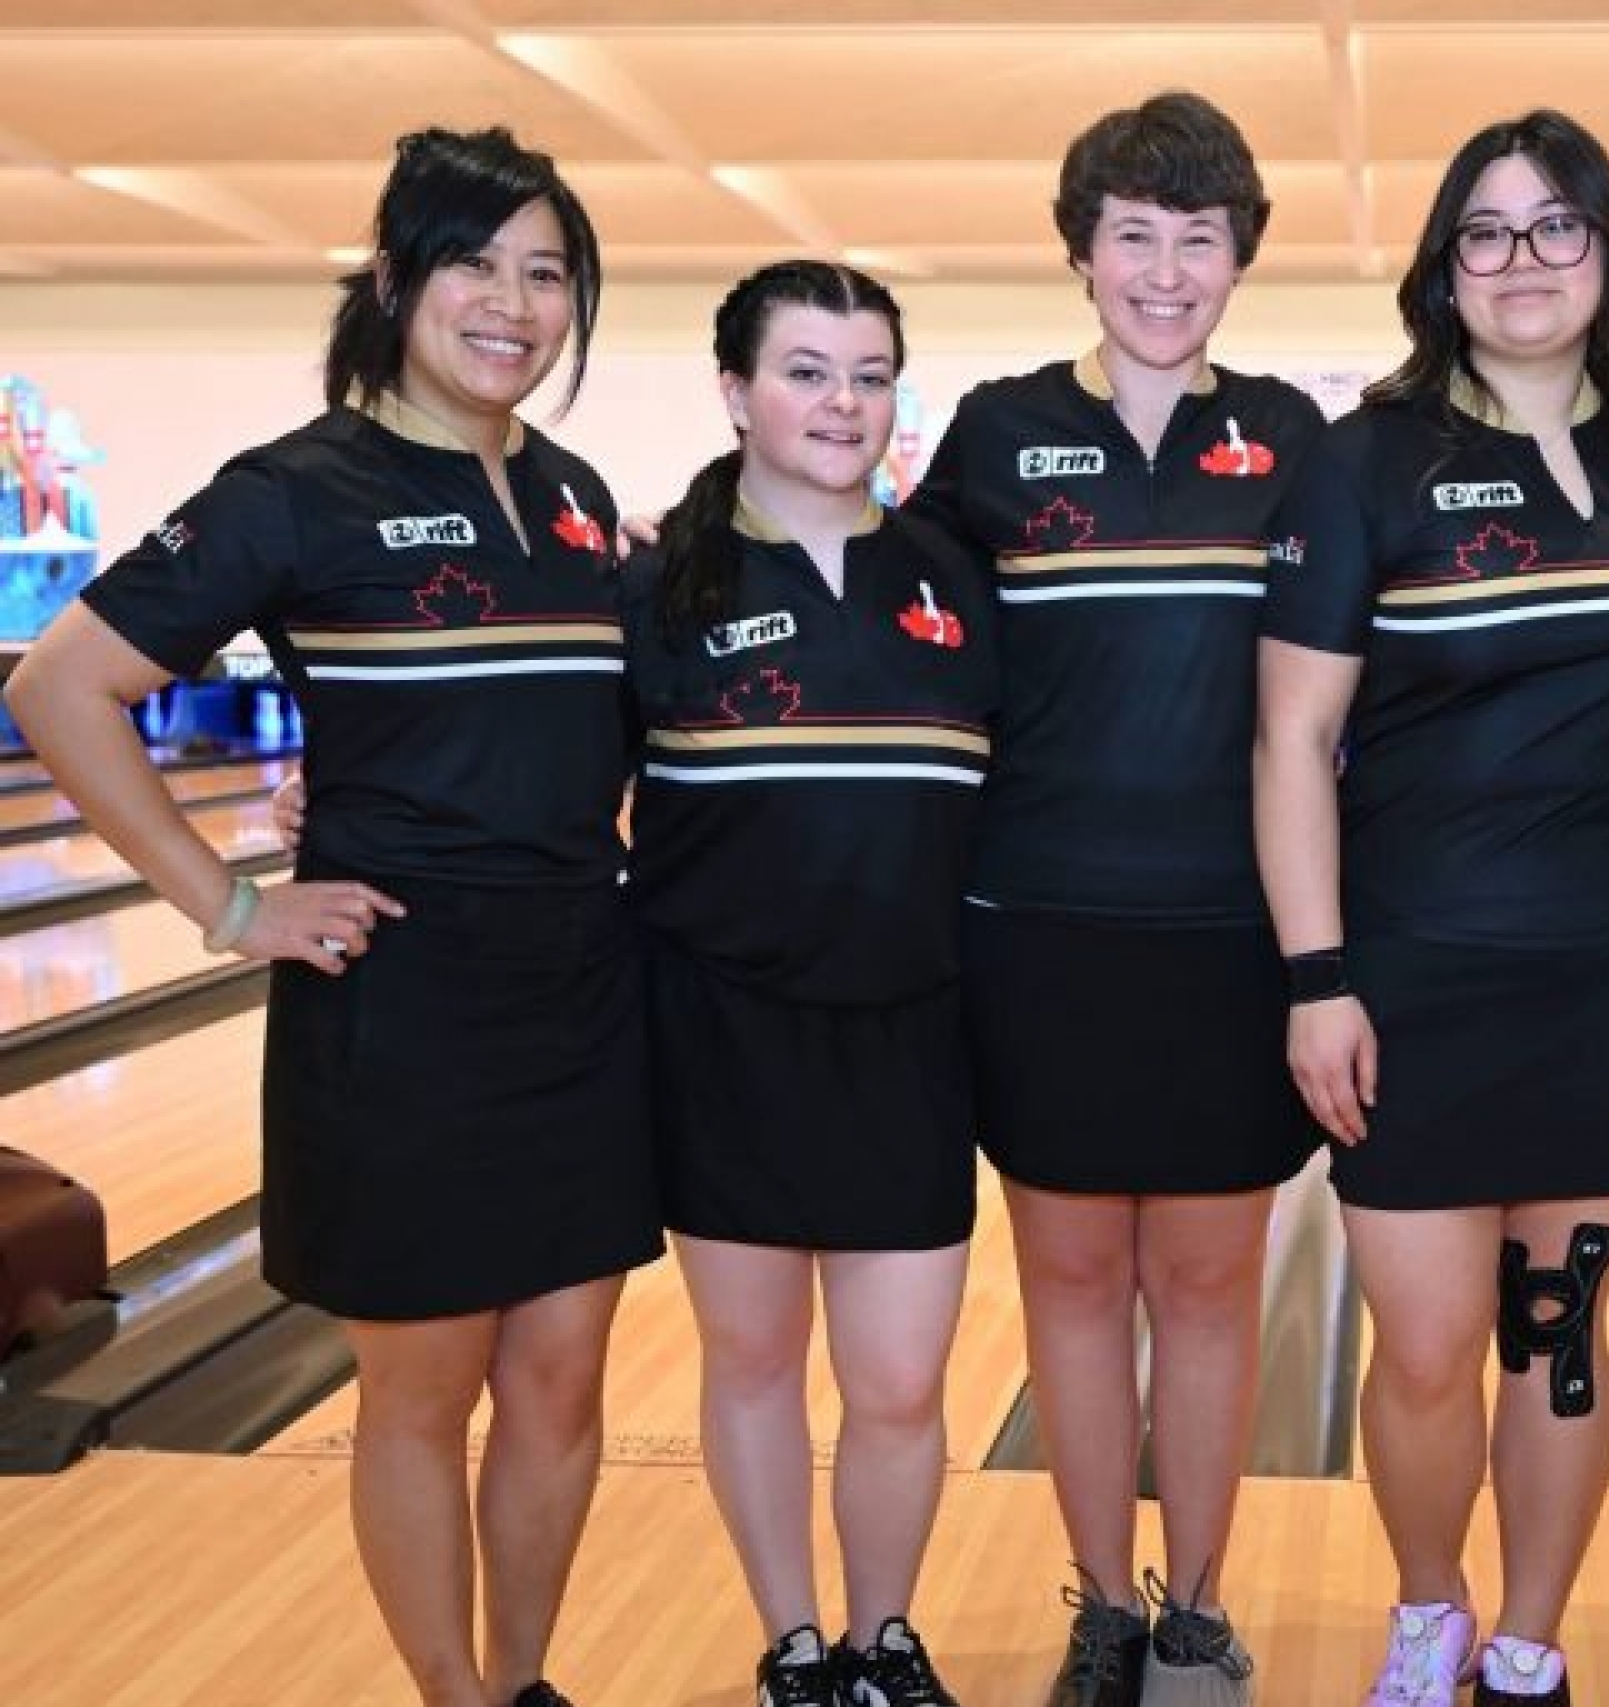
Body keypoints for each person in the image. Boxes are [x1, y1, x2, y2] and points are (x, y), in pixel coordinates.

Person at [5, 127, 654, 1707]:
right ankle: (453, 1697)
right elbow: (62, 685)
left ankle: (522, 1681)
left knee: (562, 1388)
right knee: (423, 1397)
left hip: (581, 996)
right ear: (396, 281)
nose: (514, 302)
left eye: (547, 272)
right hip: (404, 1016)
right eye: (475, 264)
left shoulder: (572, 499)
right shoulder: (297, 490)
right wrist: (233, 899)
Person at [1256, 109, 1609, 1707]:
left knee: (1560, 1337)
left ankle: (1529, 1639)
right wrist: (1319, 977)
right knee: (1433, 1347)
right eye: (1487, 231)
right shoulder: (1368, 459)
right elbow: (1293, 738)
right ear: (1446, 267)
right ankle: (1429, 1610)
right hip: (1420, 978)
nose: (1523, 261)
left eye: (1555, 226)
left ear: (1608, 247)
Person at [896, 92, 1326, 1707]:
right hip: (1038, 932)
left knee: (1208, 1290)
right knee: (1071, 1290)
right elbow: (882, 610)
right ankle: (1102, 1608)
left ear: (1239, 258)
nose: (1163, 271)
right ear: (1082, 251)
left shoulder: (1292, 440)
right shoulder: (1000, 433)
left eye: (1196, 239)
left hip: (1228, 937)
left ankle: (1198, 1611)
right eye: (1132, 235)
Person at [621, 262, 996, 1707]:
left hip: (911, 1034)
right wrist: (320, 812)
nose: (845, 403)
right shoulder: (655, 589)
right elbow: (544, 779)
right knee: (759, 1366)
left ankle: (880, 1636)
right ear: (736, 393)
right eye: (807, 371)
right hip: (722, 1032)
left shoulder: (956, 578)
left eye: (871, 373)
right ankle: (792, 1643)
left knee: (900, 1385)